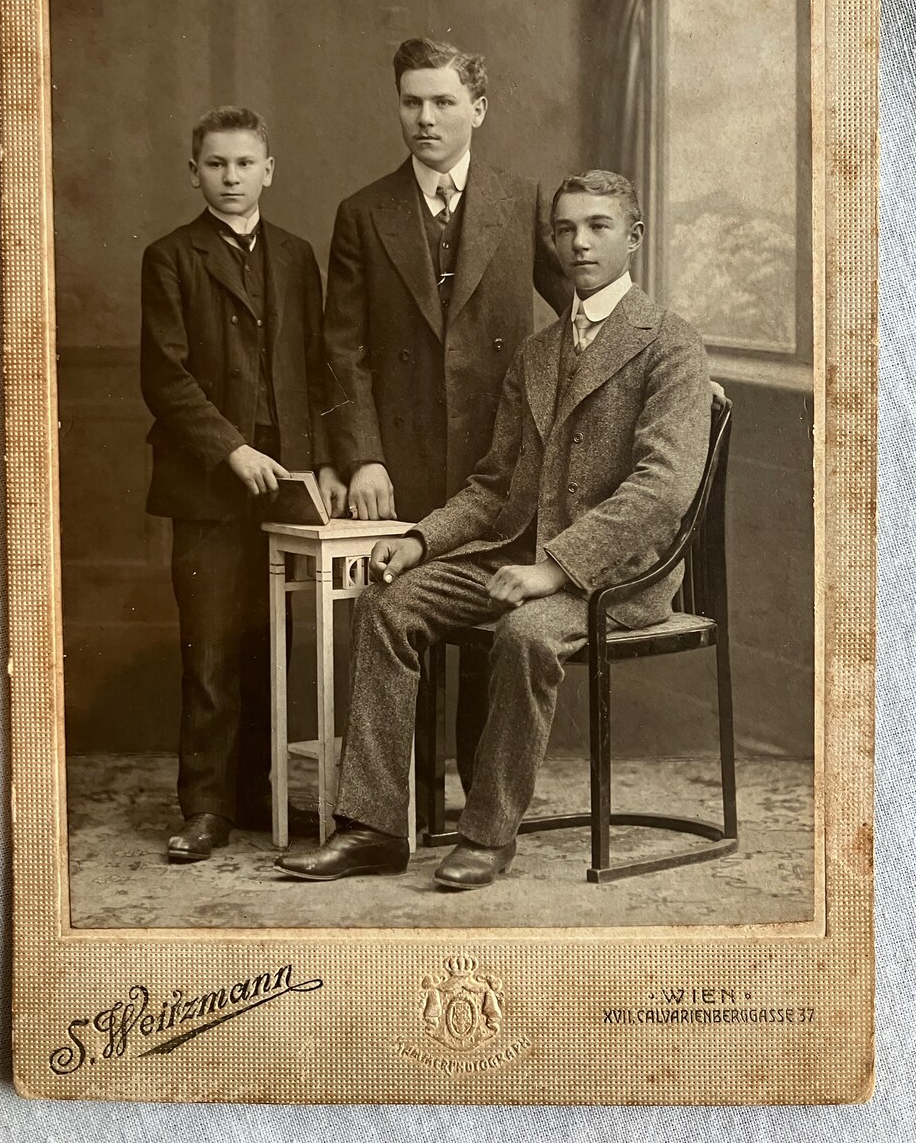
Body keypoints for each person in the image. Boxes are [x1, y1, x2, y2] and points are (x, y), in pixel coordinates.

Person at [276, 170, 711, 889]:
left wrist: (558, 568)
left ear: (633, 238)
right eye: (566, 228)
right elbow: (490, 488)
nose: (579, 242)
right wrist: (420, 540)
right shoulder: (538, 355)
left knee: (525, 633)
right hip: (513, 554)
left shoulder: (670, 345)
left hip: (613, 577)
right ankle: (375, 827)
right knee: (389, 605)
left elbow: (661, 490)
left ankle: (487, 833)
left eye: (599, 226)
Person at [324, 38, 570, 803]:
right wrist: (363, 456)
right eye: (410, 102)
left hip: (499, 458)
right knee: (399, 612)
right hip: (402, 457)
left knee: (492, 615)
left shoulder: (521, 199)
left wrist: (643, 362)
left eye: (441, 102)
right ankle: (408, 805)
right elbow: (343, 351)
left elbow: (581, 305)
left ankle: (478, 806)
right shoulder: (364, 212)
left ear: (478, 109)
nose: (424, 119)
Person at [141, 106, 346, 864]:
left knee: (270, 641)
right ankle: (204, 807)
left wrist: (319, 457)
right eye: (216, 165)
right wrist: (230, 449)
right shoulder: (171, 257)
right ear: (193, 171)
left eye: (244, 164)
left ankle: (257, 793)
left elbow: (317, 366)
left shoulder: (295, 256)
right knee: (211, 647)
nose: (231, 178)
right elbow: (165, 376)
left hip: (285, 481)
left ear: (270, 169)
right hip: (209, 483)